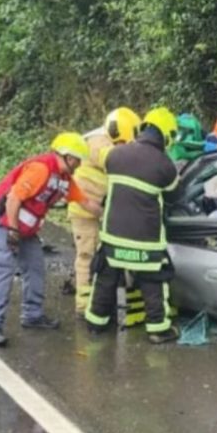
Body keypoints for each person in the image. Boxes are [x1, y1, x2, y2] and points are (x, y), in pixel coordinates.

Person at [0, 132, 97, 346]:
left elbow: (86, 203)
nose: (79, 165)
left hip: (26, 227)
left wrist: (110, 213)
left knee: (35, 267)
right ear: (68, 157)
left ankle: (32, 314)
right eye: (77, 160)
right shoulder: (41, 169)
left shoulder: (65, 180)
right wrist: (13, 231)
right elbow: (13, 199)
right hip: (5, 220)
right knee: (3, 269)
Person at [85, 107, 181, 344]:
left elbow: (96, 156)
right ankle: (158, 329)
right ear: (167, 136)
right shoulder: (166, 166)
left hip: (113, 237)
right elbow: (174, 198)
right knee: (153, 284)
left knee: (105, 279)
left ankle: (96, 323)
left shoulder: (115, 155)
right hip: (146, 242)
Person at [69, 107, 140, 314]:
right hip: (84, 210)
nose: (124, 146)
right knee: (86, 255)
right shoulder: (98, 142)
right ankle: (84, 305)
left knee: (104, 255)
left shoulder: (109, 139)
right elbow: (114, 160)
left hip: (102, 208)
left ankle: (100, 299)